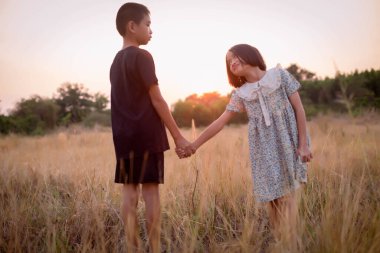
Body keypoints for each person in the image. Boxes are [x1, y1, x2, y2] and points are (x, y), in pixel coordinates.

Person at [177, 44, 313, 240]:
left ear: (250, 54)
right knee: (273, 199)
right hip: (263, 149)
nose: (231, 62)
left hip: (287, 141)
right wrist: (194, 145)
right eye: (228, 61)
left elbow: (299, 109)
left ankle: (292, 242)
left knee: (287, 194)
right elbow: (220, 122)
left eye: (235, 56)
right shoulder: (241, 93)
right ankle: (280, 242)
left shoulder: (279, 75)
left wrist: (303, 144)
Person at [110, 3, 191, 252]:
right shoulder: (142, 56)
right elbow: (157, 99)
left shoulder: (115, 61)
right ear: (132, 27)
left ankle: (132, 246)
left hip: (123, 136)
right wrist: (178, 137)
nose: (151, 30)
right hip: (146, 134)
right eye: (147, 24)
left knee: (129, 190)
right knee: (151, 191)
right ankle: (154, 247)